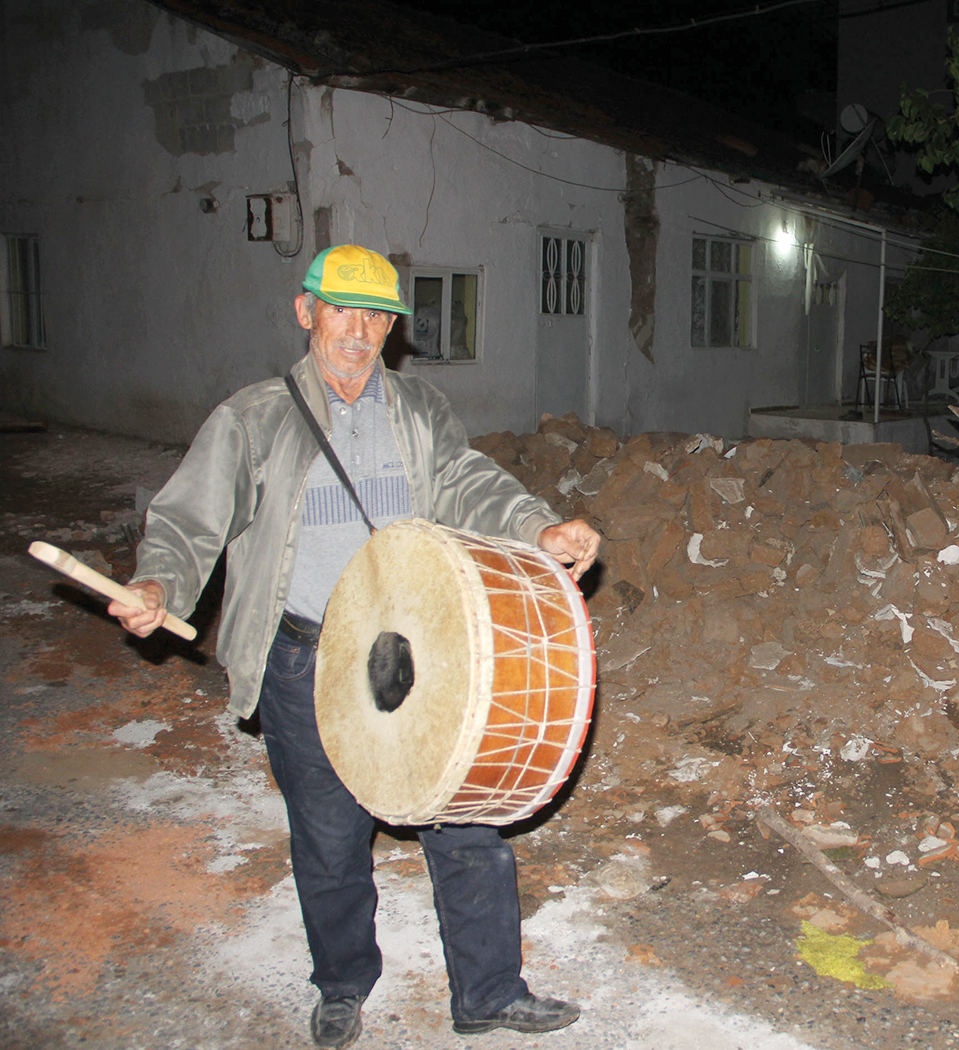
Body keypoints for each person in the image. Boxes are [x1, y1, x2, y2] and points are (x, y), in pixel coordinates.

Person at [109, 244, 601, 1049]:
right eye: (344, 309)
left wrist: (535, 525)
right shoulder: (253, 418)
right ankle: (342, 985)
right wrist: (159, 584)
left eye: (376, 315)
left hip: (417, 645)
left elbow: (465, 480)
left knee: (465, 820)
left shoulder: (418, 409)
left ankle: (487, 991)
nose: (361, 329)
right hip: (307, 657)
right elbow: (190, 519)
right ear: (307, 313)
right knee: (331, 837)